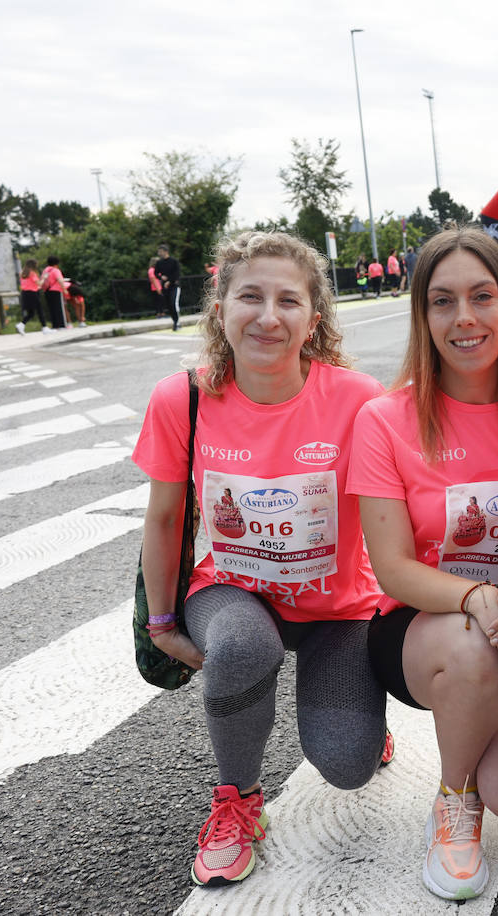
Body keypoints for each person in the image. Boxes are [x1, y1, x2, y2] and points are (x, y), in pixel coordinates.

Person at [133, 230, 392, 889]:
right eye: (251, 296)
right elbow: (164, 519)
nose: (269, 316)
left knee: (347, 763)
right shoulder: (182, 399)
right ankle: (236, 801)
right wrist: (160, 623)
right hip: (231, 592)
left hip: (339, 608)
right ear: (220, 307)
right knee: (245, 647)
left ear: (314, 319)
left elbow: (407, 506)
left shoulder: (360, 398)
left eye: (289, 301)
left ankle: (366, 724)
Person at [348, 226, 498, 902]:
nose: (465, 319)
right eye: (443, 302)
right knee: (476, 641)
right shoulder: (386, 420)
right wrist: (478, 600)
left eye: (482, 297)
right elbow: (390, 569)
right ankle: (455, 799)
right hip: (422, 631)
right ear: (423, 316)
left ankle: (479, 729)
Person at [17, 258, 48, 334]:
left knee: (31, 313)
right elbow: (39, 284)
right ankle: (44, 328)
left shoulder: (22, 273)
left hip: (25, 293)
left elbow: (28, 284)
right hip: (32, 294)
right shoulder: (32, 273)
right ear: (33, 265)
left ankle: (21, 324)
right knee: (40, 310)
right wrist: (44, 278)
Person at [156, 244, 182, 331]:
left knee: (173, 303)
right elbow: (156, 273)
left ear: (166, 251)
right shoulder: (159, 263)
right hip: (165, 288)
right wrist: (161, 277)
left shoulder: (174, 261)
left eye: (160, 251)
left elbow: (177, 274)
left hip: (174, 286)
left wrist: (169, 281)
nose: (159, 253)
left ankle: (177, 323)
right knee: (169, 306)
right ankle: (175, 321)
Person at [40, 256, 69, 330]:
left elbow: (42, 280)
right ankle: (61, 325)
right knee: (59, 307)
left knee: (51, 308)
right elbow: (60, 279)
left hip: (47, 291)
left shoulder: (45, 270)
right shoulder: (56, 270)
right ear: (56, 263)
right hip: (56, 290)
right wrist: (64, 289)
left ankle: (55, 325)